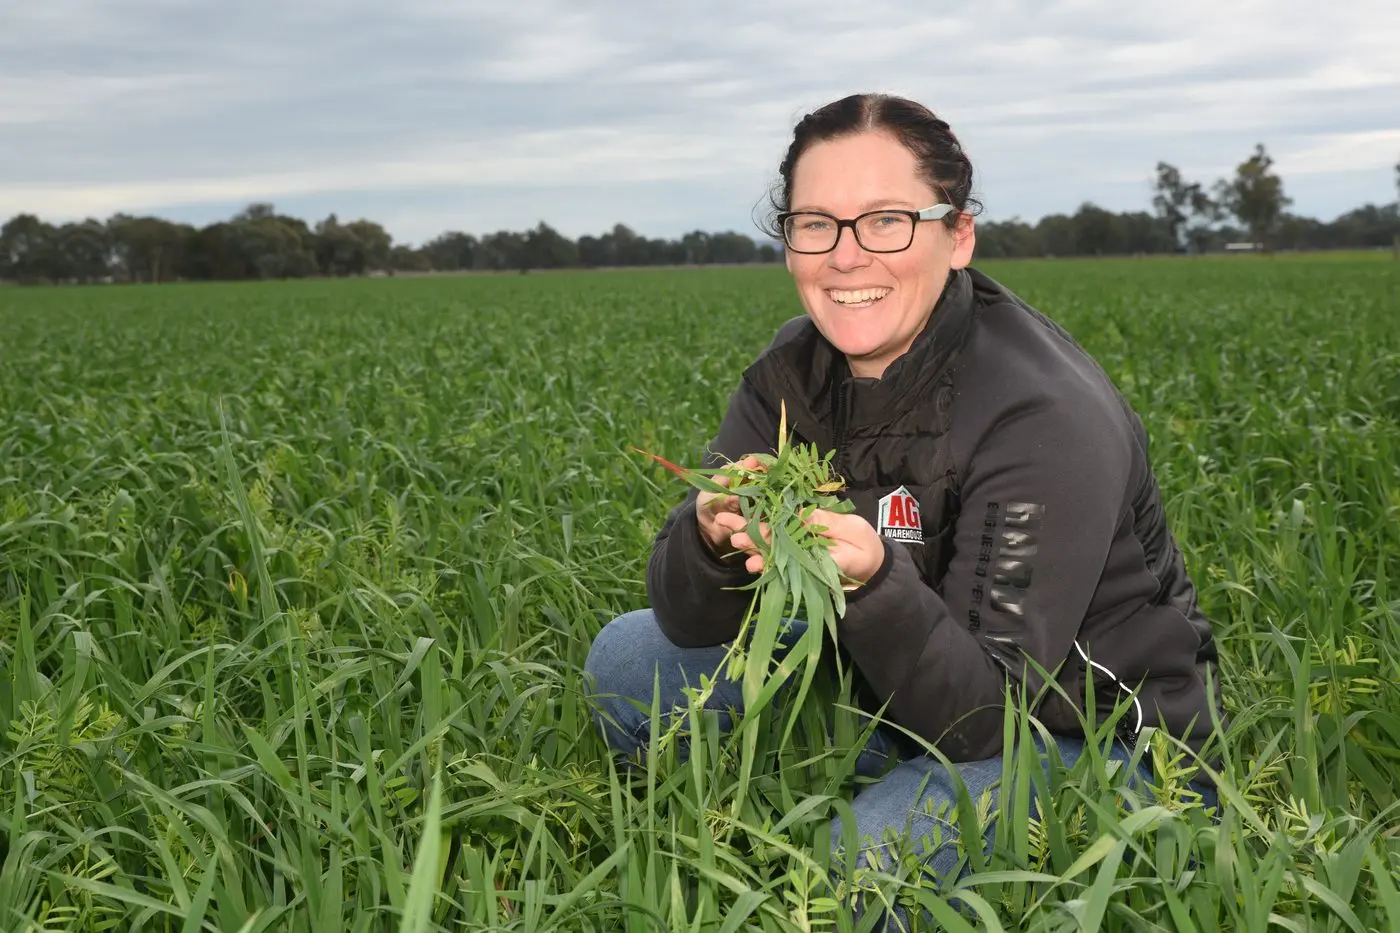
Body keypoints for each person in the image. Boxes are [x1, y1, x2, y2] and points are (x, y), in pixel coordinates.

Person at [584, 92, 1225, 918]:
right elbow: (688, 619)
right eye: (815, 223)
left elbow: (991, 717)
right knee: (628, 665)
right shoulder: (792, 374)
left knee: (856, 870)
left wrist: (870, 581)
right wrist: (708, 536)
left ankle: (886, 806)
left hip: (1086, 735)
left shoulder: (1040, 414)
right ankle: (857, 776)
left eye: (887, 220)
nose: (846, 257)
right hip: (886, 676)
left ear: (957, 236)